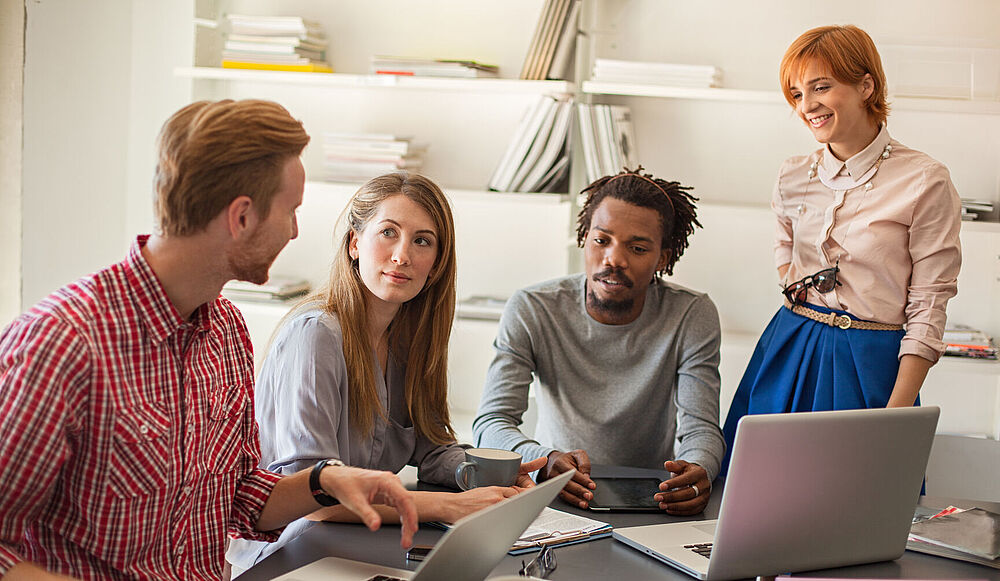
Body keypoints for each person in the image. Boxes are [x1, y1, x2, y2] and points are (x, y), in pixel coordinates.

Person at [0, 100, 419, 581]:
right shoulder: (62, 342)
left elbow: (238, 500)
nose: (294, 231)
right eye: (291, 212)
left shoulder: (226, 330)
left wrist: (325, 481)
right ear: (241, 217)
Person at [227, 172, 546, 570]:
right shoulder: (315, 335)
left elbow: (432, 450)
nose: (402, 256)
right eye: (388, 233)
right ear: (354, 244)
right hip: (293, 554)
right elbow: (314, 497)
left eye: (422, 241)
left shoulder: (410, 341)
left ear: (436, 265)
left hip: (365, 541)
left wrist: (490, 475)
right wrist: (449, 506)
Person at [721, 25, 962, 473]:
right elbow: (784, 245)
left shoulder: (925, 179)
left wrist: (896, 416)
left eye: (821, 87)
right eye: (796, 94)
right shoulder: (792, 173)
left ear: (866, 85)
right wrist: (797, 287)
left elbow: (930, 304)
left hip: (871, 361)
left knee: (861, 495)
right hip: (789, 344)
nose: (806, 106)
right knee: (758, 489)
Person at [473, 168, 726, 516]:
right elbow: (491, 423)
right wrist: (545, 460)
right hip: (554, 496)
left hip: (651, 500)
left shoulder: (691, 314)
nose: (614, 260)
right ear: (584, 237)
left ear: (663, 258)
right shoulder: (532, 308)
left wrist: (698, 469)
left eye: (637, 248)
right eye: (601, 240)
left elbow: (701, 428)